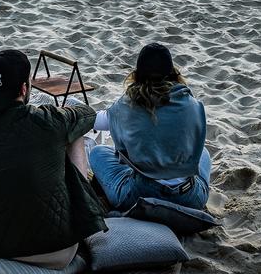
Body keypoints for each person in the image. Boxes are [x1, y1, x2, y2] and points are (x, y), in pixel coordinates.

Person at [0, 50, 107, 267]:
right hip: (61, 247)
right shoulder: (50, 120)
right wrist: (56, 116)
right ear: (24, 88)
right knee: (73, 134)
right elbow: (88, 114)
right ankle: (82, 204)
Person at [88, 43, 210, 211]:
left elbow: (96, 121)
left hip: (140, 196)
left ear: (137, 75)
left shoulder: (126, 106)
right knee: (203, 153)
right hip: (189, 199)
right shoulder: (193, 105)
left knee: (98, 153)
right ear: (173, 73)